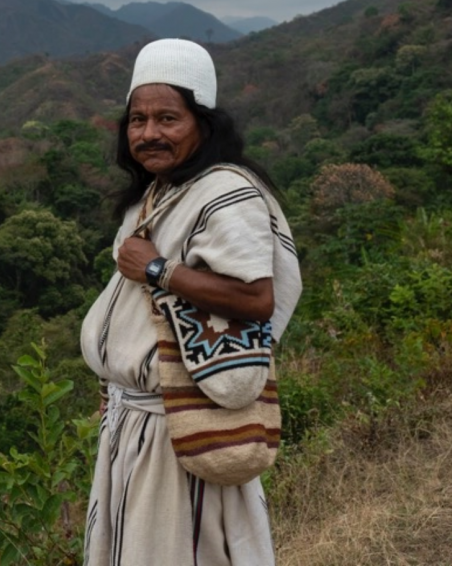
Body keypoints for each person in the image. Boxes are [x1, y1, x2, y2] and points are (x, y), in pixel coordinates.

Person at [80, 38, 302, 565]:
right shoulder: (158, 192)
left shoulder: (227, 191)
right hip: (135, 423)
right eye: (138, 120)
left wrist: (158, 269)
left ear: (204, 123)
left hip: (180, 428)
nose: (149, 133)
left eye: (168, 118)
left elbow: (255, 297)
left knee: (181, 549)